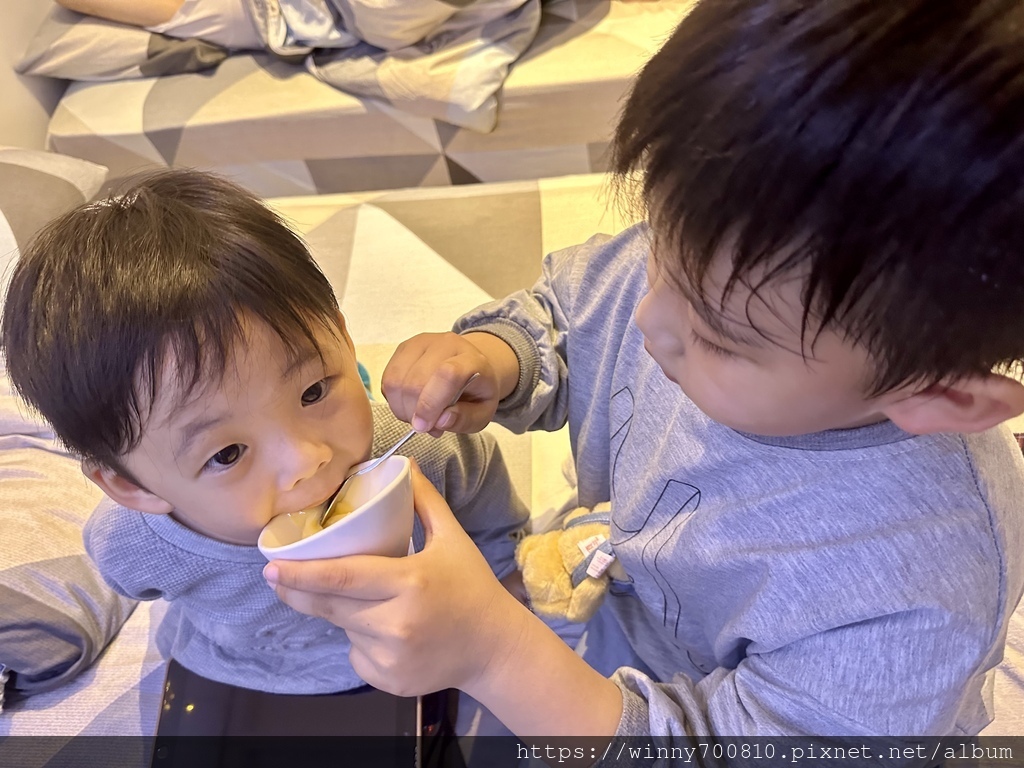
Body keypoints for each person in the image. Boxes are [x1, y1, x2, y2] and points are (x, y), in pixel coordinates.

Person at [261, 0, 1024, 749]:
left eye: (720, 339)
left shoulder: (917, 592)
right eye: (659, 246)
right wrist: (500, 356)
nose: (651, 319)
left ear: (938, 396)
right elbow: (573, 310)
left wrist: (492, 653)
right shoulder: (720, 261)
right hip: (607, 607)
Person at [0, 169, 528, 695]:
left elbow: (486, 499)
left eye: (314, 391)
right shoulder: (131, 542)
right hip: (234, 670)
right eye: (227, 453)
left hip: (429, 650)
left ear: (342, 336)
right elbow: (126, 581)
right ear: (133, 488)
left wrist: (503, 587)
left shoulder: (420, 454)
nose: (306, 459)